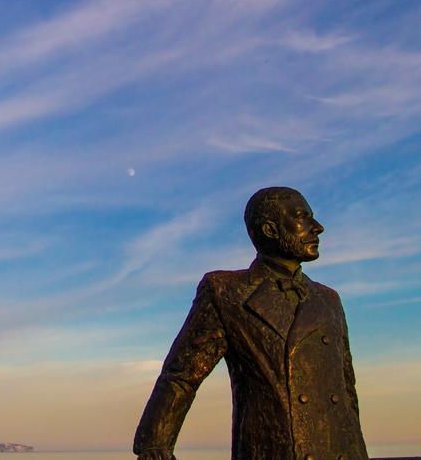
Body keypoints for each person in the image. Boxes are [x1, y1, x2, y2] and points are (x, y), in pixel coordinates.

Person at [133, 187, 368, 460]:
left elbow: (345, 388)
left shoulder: (328, 299)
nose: (318, 227)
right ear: (270, 229)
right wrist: (155, 445)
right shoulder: (226, 291)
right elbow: (181, 375)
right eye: (302, 217)